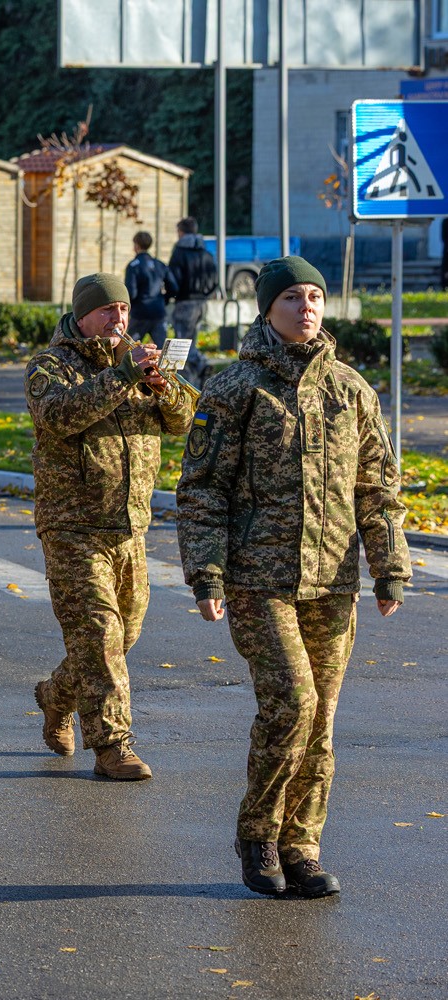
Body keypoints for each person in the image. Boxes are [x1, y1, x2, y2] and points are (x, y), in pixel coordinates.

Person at [177, 256, 410, 899]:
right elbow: (201, 490)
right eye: (292, 298)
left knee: (323, 720)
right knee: (292, 705)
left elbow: (377, 488)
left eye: (315, 296)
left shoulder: (351, 390)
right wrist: (208, 574)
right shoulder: (235, 389)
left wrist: (390, 567)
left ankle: (302, 845)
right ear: (266, 307)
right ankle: (258, 834)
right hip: (260, 581)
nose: (306, 306)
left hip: (332, 582)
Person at [25, 272, 193, 780]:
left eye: (123, 310)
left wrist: (164, 389)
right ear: (82, 317)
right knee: (99, 636)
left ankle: (56, 696)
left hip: (130, 527)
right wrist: (122, 378)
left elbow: (186, 419)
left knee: (123, 636)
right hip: (73, 525)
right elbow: (57, 416)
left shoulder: (143, 364)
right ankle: (112, 745)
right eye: (106, 311)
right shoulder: (50, 366)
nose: (118, 320)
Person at [166, 216, 218, 384]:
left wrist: (171, 296)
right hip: (202, 303)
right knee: (191, 340)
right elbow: (215, 280)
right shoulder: (206, 253)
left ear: (181, 232)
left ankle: (196, 370)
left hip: (185, 302)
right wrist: (205, 295)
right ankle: (196, 376)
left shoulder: (179, 253)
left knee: (182, 343)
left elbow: (173, 279)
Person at [124, 231, 172, 347]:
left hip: (140, 313)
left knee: (129, 347)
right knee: (162, 349)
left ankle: (129, 366)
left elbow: (132, 292)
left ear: (136, 245)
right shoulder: (160, 264)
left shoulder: (133, 266)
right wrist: (163, 300)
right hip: (158, 312)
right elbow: (173, 286)